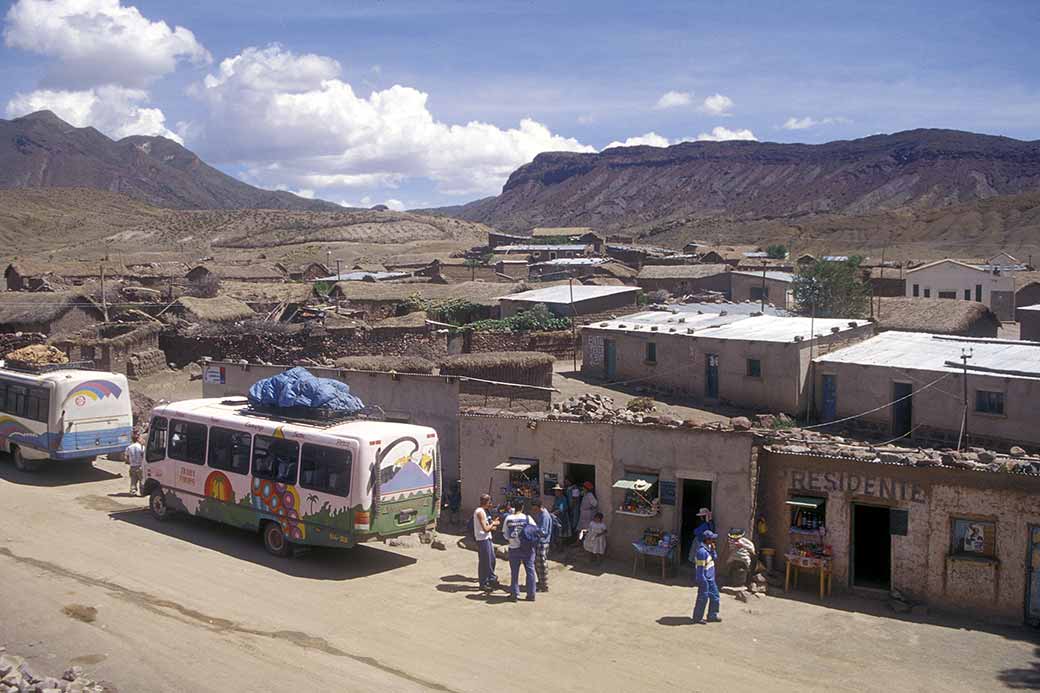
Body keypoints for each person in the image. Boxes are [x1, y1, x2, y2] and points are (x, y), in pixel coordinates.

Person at [502, 502, 537, 602]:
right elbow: (534, 531)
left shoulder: (508, 518)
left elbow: (505, 534)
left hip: (514, 548)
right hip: (527, 548)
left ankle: (514, 594)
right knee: (530, 571)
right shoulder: (527, 518)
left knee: (514, 572)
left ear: (514, 507)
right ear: (522, 507)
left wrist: (513, 539)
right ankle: (531, 594)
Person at [692, 530, 722, 624]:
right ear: (707, 540)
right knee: (702, 598)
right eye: (712, 539)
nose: (714, 540)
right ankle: (697, 618)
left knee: (715, 597)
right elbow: (700, 570)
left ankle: (712, 616)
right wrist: (703, 582)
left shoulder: (709, 548)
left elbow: (715, 558)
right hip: (704, 579)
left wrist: (713, 550)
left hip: (711, 579)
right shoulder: (701, 552)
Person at [473, 494, 501, 591]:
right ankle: (484, 582)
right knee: (486, 561)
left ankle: (489, 579)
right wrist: (493, 523)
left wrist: (492, 524)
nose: (491, 504)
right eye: (490, 502)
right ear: (487, 502)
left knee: (491, 560)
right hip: (482, 539)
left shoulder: (484, 511)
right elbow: (485, 529)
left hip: (487, 538)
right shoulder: (480, 512)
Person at [530, 499, 554, 592]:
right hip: (539, 542)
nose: (534, 511)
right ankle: (541, 582)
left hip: (543, 543)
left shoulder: (545, 516)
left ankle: (544, 585)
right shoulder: (540, 514)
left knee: (541, 565)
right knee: (538, 564)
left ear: (539, 507)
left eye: (535, 509)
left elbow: (544, 532)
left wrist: (533, 529)